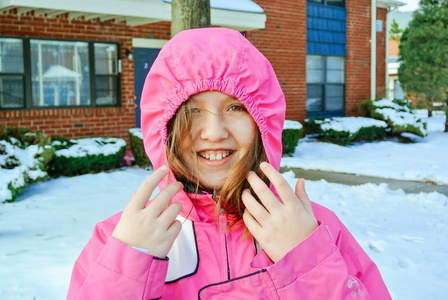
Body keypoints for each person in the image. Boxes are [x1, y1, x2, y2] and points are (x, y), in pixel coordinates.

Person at [67, 28, 392, 299]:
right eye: (192, 111)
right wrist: (126, 268)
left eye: (235, 108)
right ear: (164, 127)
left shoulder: (313, 229)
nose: (213, 132)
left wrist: (307, 263)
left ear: (261, 118)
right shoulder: (119, 239)